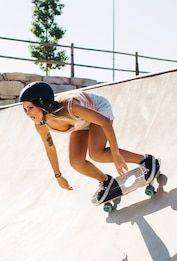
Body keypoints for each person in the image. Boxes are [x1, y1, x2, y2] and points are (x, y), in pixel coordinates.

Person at [18, 81, 160, 205]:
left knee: (97, 154)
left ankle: (147, 161)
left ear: (42, 103)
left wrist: (116, 154)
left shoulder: (69, 107)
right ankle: (106, 182)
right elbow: (50, 149)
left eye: (30, 107)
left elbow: (104, 122)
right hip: (80, 122)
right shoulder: (40, 125)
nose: (28, 113)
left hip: (98, 109)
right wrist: (58, 176)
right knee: (76, 162)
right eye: (25, 109)